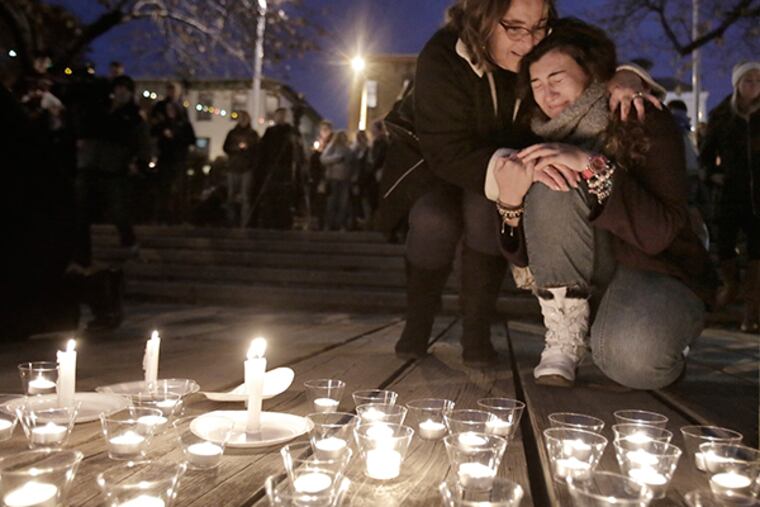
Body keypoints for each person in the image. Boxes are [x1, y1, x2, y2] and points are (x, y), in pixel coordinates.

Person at [389, 0, 660, 367]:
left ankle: (476, 330)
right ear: (483, 18)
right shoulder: (443, 54)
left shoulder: (551, 39)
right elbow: (446, 149)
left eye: (541, 26)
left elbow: (593, 55)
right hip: (442, 163)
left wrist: (627, 75)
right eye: (515, 27)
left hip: (514, 167)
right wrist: (517, 168)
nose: (531, 40)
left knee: (486, 214)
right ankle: (418, 320)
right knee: (435, 220)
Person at [494, 19, 717, 388]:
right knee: (551, 177)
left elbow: (660, 233)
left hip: (656, 267)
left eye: (557, 78)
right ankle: (565, 337)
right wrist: (511, 202)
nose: (546, 94)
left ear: (591, 73)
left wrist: (590, 165)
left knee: (634, 361)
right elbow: (523, 258)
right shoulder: (536, 137)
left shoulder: (639, 116)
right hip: (588, 270)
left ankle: (666, 338)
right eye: (536, 84)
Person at [701, 61, 760, 332]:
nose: (754, 86)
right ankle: (730, 287)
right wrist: (712, 174)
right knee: (724, 245)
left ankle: (753, 309)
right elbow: (705, 156)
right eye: (748, 80)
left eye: (758, 81)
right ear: (738, 84)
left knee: (757, 251)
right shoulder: (722, 115)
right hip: (730, 193)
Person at [73, 75, 150, 267]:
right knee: (81, 213)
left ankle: (131, 245)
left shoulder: (133, 117)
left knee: (119, 212)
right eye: (118, 88)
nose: (121, 93)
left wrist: (139, 163)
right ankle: (82, 257)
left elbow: (143, 143)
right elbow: (83, 129)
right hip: (90, 166)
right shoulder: (98, 110)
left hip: (114, 169)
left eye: (125, 90)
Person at [152, 101, 196, 223]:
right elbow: (154, 134)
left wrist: (176, 137)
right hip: (165, 159)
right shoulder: (163, 124)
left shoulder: (184, 125)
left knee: (179, 190)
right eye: (168, 109)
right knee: (164, 189)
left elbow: (191, 140)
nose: (170, 111)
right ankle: (163, 217)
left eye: (172, 109)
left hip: (179, 160)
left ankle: (180, 217)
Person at [256, 107, 299, 229]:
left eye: (283, 115)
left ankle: (283, 221)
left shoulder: (290, 130)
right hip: (271, 166)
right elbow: (263, 149)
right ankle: (269, 220)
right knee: (270, 194)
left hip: (285, 166)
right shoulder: (270, 131)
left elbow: (296, 148)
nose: (281, 118)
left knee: (284, 194)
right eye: (279, 115)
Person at [223, 111, 260, 226]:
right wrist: (236, 149)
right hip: (233, 167)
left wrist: (247, 150)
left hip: (246, 168)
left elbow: (257, 150)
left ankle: (244, 223)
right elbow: (225, 147)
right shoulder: (232, 133)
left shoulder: (253, 134)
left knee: (245, 197)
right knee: (231, 196)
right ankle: (231, 221)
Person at [321, 131, 355, 231]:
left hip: (345, 179)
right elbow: (323, 159)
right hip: (333, 178)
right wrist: (336, 159)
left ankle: (341, 224)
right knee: (331, 202)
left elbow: (353, 164)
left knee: (343, 203)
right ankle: (329, 224)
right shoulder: (332, 147)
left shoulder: (349, 150)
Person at [307, 120, 333, 230]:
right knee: (316, 200)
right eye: (322, 129)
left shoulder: (331, 144)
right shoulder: (318, 142)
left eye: (326, 129)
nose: (323, 132)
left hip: (326, 176)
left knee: (324, 200)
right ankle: (315, 221)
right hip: (315, 175)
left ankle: (323, 222)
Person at [351, 130, 371, 228]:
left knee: (363, 200)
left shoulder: (368, 150)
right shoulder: (355, 150)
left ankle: (364, 221)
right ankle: (357, 221)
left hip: (364, 179)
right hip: (356, 178)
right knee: (356, 200)